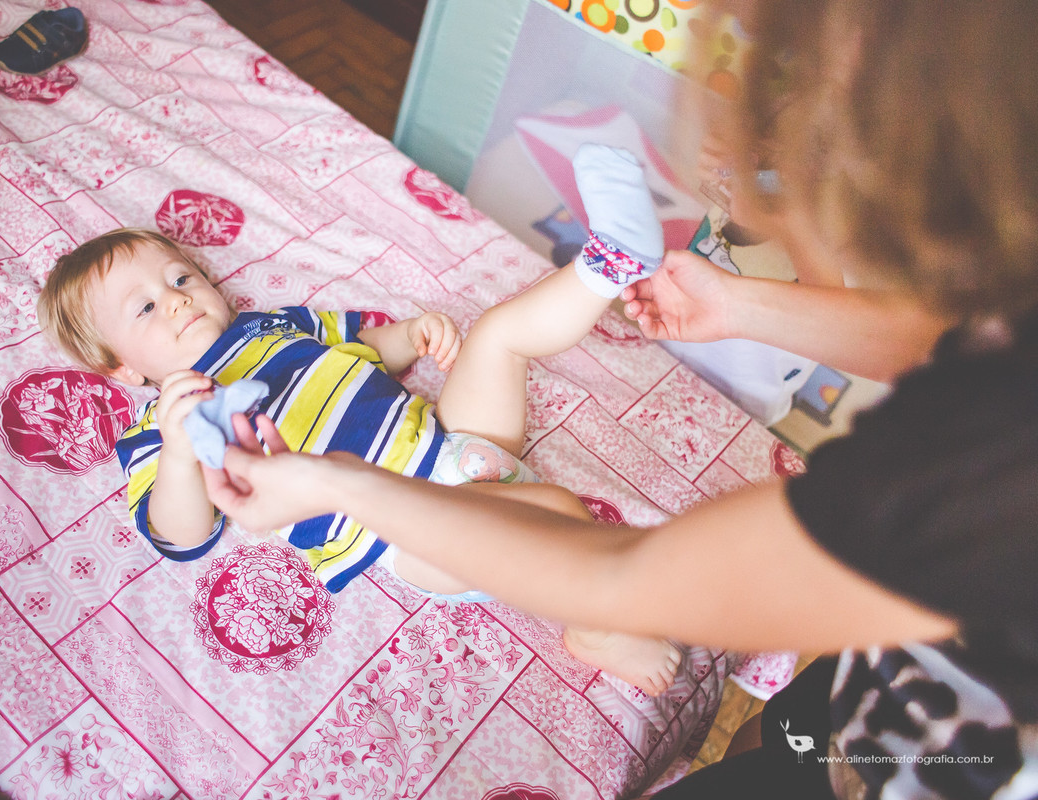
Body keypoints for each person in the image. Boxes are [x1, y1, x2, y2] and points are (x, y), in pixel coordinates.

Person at [200, 1, 1038, 798]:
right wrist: (741, 305)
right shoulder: (999, 364)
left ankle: (604, 261)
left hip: (942, 753)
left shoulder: (980, 478)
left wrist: (339, 475)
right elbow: (956, 338)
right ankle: (604, 264)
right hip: (866, 719)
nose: (180, 297)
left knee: (504, 355)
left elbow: (631, 576)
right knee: (782, 741)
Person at [36, 140, 685, 696]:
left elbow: (365, 350)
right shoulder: (162, 427)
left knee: (497, 335)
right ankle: (597, 631)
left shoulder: (275, 327)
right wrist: (179, 452)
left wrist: (413, 335)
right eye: (145, 309)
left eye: (180, 279)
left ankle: (611, 261)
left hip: (449, 440)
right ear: (122, 370)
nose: (176, 301)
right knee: (561, 517)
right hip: (404, 533)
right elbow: (179, 534)